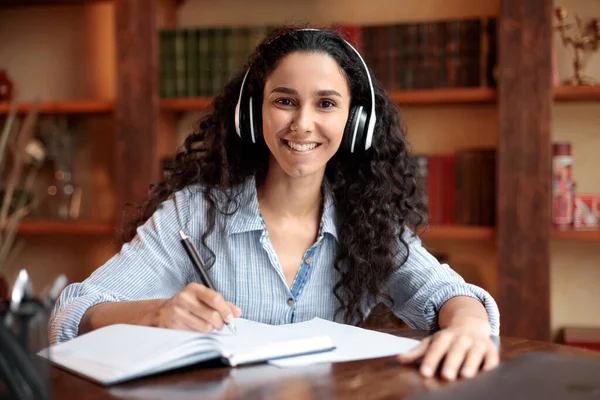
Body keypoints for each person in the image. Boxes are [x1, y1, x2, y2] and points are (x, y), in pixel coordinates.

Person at [49, 26, 500, 382]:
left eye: (326, 103)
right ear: (253, 112)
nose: (302, 124)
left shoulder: (370, 222)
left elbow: (448, 294)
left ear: (355, 122)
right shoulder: (194, 216)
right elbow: (72, 309)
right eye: (284, 101)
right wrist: (154, 313)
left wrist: (469, 326)